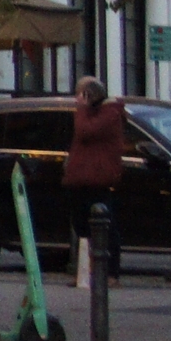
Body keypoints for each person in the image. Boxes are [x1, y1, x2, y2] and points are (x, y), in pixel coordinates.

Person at [63, 76, 125, 289]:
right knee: (81, 227)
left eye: (81, 93)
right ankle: (85, 272)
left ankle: (111, 273)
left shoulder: (109, 114)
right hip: (80, 178)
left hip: (98, 179)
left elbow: (85, 131)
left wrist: (82, 109)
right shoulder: (91, 114)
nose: (76, 98)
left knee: (105, 226)